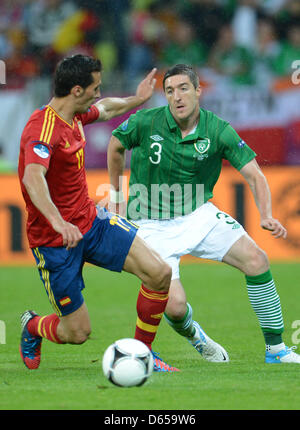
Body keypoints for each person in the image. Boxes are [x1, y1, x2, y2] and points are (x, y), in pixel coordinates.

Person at [107, 63, 300, 364]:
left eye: (183, 88)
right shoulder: (147, 121)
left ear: (198, 91)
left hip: (199, 215)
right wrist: (117, 196)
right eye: (169, 91)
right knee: (175, 308)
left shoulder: (218, 129)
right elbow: (116, 145)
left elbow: (254, 175)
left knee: (257, 259)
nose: (177, 97)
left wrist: (266, 214)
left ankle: (276, 349)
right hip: (149, 225)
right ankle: (194, 335)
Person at [18, 54, 178, 373]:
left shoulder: (76, 114)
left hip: (91, 223)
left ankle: (143, 355)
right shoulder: (42, 129)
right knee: (77, 333)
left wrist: (138, 98)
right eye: (95, 87)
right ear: (77, 90)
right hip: (54, 241)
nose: (98, 93)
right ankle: (32, 326)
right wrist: (59, 222)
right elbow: (32, 178)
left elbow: (107, 109)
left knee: (160, 273)